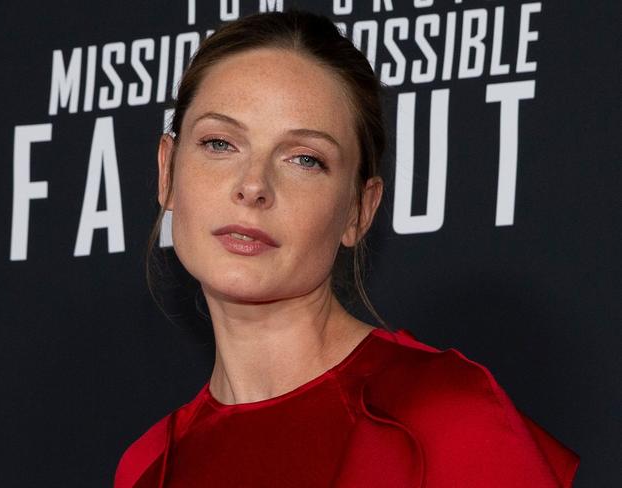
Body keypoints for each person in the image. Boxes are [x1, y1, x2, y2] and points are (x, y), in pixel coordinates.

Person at [114, 9, 579, 488]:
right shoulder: (148, 466)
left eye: (304, 159)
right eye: (219, 143)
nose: (253, 186)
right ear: (167, 171)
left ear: (359, 209)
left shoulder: (442, 417)